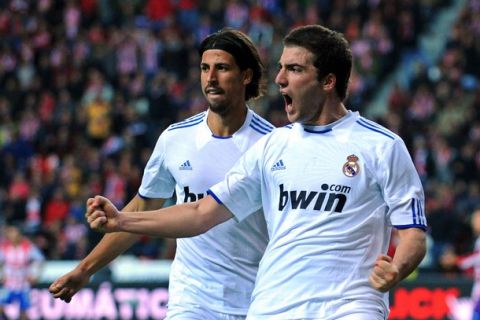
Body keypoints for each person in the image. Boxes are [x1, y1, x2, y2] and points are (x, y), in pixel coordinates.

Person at [83, 25, 427, 319]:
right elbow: (202, 212)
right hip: (274, 306)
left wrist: (398, 268)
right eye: (280, 68)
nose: (278, 79)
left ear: (328, 81)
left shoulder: (382, 146)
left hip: (350, 304)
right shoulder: (272, 146)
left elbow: (413, 234)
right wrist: (122, 221)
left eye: (293, 69)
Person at [49, 28, 274, 319]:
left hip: (255, 301)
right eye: (205, 68)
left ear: (246, 76)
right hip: (191, 301)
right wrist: (85, 270)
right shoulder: (175, 139)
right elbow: (143, 209)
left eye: (222, 68)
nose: (211, 78)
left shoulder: (272, 145)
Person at [0, 224, 44, 320]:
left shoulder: (27, 247)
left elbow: (40, 260)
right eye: (9, 233)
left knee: (23, 312)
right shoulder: (4, 247)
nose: (11, 235)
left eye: (13, 233)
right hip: (9, 284)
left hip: (24, 285)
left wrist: (36, 276)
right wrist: (2, 275)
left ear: (19, 234)